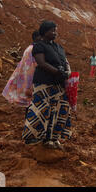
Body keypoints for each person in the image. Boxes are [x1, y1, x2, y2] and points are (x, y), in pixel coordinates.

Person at [22, 20, 72, 150]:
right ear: (44, 32)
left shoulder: (59, 47)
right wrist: (57, 72)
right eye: (52, 30)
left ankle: (52, 138)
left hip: (59, 85)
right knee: (41, 111)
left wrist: (67, 72)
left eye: (56, 30)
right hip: (44, 83)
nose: (55, 33)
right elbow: (41, 63)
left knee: (57, 111)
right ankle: (34, 138)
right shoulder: (39, 46)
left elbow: (65, 62)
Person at [2, 31, 41, 108]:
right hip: (30, 74)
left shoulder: (29, 48)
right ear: (37, 38)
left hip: (25, 73)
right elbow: (35, 64)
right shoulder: (34, 49)